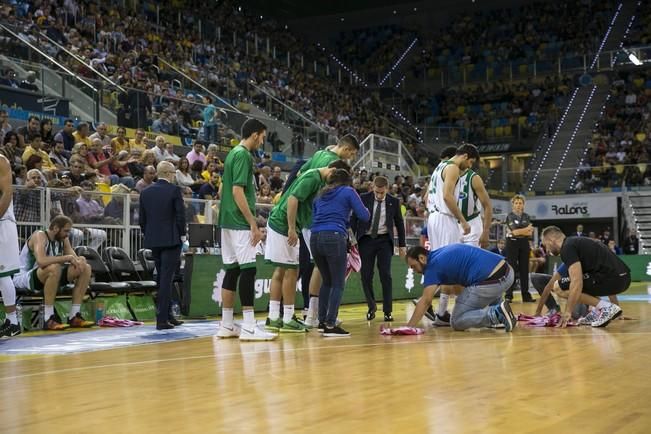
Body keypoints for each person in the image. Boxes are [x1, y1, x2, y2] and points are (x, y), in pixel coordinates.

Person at [264, 160, 350, 334]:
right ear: (332, 170)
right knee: (291, 271)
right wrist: (291, 228)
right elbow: (292, 199)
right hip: (283, 224)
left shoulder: (317, 179)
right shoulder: (312, 177)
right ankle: (287, 317)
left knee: (281, 270)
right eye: (334, 181)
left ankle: (273, 316)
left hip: (279, 222)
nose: (333, 186)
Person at [216, 118, 276, 341]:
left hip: (227, 221)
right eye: (262, 136)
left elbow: (223, 190)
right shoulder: (243, 155)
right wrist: (253, 223)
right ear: (254, 134)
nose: (262, 141)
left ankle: (227, 324)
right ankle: (250, 326)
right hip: (240, 223)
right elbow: (237, 192)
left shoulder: (232, 154)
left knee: (232, 271)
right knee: (249, 270)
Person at [423, 144, 479, 325]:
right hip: (445, 219)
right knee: (452, 266)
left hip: (434, 218)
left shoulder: (439, 167)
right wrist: (462, 220)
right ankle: (442, 311)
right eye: (470, 162)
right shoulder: (453, 168)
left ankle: (439, 311)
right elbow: (448, 196)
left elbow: (426, 199)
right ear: (464, 156)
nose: (469, 167)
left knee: (443, 266)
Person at [310, 169, 370, 337]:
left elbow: (314, 216)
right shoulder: (348, 191)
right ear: (347, 181)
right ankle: (330, 324)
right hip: (335, 236)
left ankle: (322, 321)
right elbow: (364, 215)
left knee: (327, 281)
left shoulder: (319, 194)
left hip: (315, 237)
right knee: (338, 283)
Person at [405, 245, 517, 332]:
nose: (414, 271)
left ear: (421, 258)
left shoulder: (432, 267)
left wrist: (408, 328)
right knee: (471, 293)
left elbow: (425, 301)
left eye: (414, 266)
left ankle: (496, 314)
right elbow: (461, 287)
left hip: (492, 281)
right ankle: (501, 309)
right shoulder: (439, 254)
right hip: (507, 272)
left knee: (457, 320)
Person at [535, 226, 630, 327]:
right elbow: (608, 271)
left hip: (611, 278)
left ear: (551, 240)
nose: (547, 249)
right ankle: (599, 311)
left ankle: (606, 308)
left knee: (559, 287)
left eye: (545, 245)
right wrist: (617, 310)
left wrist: (567, 312)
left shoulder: (567, 248)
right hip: (623, 279)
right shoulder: (578, 244)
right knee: (578, 282)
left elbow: (577, 281)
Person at [12, 215, 95, 330]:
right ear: (56, 228)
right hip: (25, 277)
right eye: (66, 231)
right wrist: (66, 258)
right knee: (54, 267)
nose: (68, 234)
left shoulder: (63, 238)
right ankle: (48, 318)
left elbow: (73, 258)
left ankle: (74, 316)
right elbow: (41, 261)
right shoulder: (39, 236)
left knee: (86, 268)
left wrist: (80, 260)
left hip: (49, 275)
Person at [351, 175, 406, 322]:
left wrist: (402, 246)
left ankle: (387, 311)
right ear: (373, 188)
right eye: (377, 192)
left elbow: (399, 224)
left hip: (384, 241)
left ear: (387, 189)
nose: (379, 195)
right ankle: (371, 306)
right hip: (365, 240)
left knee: (386, 275)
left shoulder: (394, 202)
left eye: (382, 192)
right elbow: (354, 219)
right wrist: (351, 240)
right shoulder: (363, 198)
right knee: (366, 275)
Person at [139, 161, 186, 330]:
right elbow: (180, 216)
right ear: (167, 173)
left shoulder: (145, 192)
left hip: (154, 241)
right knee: (166, 279)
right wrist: (183, 235)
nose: (174, 175)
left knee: (162, 278)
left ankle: (168, 315)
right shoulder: (174, 190)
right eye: (173, 172)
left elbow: (142, 220)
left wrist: (149, 234)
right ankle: (161, 319)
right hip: (171, 239)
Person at [0, 155, 21, 337]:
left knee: (2, 274)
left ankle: (12, 321)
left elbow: (7, 192)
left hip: (3, 221)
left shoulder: (1, 161)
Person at [504, 194, 535, 302]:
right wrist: (525, 229)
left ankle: (526, 295)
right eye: (516, 203)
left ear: (523, 205)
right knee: (511, 268)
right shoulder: (510, 216)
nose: (518, 205)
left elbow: (530, 232)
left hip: (524, 243)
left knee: (524, 269)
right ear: (513, 205)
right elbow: (515, 232)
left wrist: (521, 231)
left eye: (520, 203)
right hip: (512, 243)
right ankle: (508, 295)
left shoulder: (527, 216)